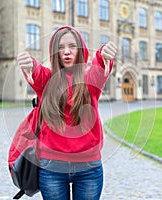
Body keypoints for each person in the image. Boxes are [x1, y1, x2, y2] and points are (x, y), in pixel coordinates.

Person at [17, 25, 117, 200]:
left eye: (72, 46)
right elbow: (37, 72)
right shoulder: (47, 80)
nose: (67, 52)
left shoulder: (90, 80)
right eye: (61, 48)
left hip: (88, 168)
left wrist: (103, 55)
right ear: (54, 53)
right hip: (52, 168)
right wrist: (30, 64)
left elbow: (98, 66)